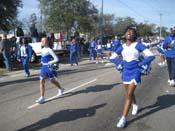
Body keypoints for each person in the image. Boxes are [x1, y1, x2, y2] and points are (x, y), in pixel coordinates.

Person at [110, 27, 155, 128]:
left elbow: (151, 56)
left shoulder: (138, 45)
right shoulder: (122, 47)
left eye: (131, 32)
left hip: (135, 72)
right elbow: (112, 58)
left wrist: (140, 64)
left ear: (134, 35)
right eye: (127, 32)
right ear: (125, 35)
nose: (129, 33)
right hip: (125, 72)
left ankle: (123, 118)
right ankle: (135, 105)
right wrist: (121, 62)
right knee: (129, 93)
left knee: (129, 94)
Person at [35, 37, 64, 104]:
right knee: (41, 81)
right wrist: (41, 62)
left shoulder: (49, 50)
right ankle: (42, 97)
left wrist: (49, 63)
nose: (42, 42)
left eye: (43, 41)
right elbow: (44, 58)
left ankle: (61, 89)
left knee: (52, 81)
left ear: (47, 42)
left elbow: (56, 59)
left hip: (49, 68)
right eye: (41, 40)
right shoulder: (42, 49)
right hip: (43, 67)